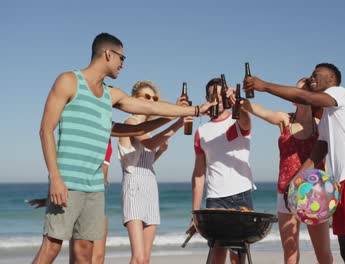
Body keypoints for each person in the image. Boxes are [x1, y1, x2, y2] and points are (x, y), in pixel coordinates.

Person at [34, 32, 212, 264]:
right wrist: (55, 177)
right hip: (68, 181)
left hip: (95, 186)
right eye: (122, 58)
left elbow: (143, 113)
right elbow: (46, 130)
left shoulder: (111, 94)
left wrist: (195, 110)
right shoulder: (68, 81)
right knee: (52, 247)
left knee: (85, 252)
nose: (123, 64)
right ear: (108, 53)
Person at [244, 63, 345, 264]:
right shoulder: (326, 119)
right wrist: (295, 182)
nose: (312, 77)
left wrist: (264, 86)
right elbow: (318, 152)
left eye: (316, 74)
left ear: (331, 79)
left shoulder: (340, 93)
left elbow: (306, 97)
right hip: (340, 185)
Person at [28, 117, 174, 264]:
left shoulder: (108, 127)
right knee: (53, 248)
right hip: (76, 190)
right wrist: (54, 188)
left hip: (97, 194)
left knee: (94, 257)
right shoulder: (87, 125)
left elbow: (140, 135)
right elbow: (70, 159)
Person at [240, 78, 333, 264]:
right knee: (290, 253)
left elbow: (326, 160)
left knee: (323, 253)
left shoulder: (321, 124)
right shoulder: (285, 120)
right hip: (286, 193)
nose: (300, 94)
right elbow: (259, 111)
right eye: (296, 91)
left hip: (315, 194)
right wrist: (240, 101)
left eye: (305, 90)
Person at [118, 80, 190, 264]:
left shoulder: (149, 131)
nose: (151, 100)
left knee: (146, 259)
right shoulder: (130, 122)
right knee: (138, 257)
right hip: (134, 187)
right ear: (135, 99)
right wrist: (177, 123)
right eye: (146, 97)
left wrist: (161, 151)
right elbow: (147, 145)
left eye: (154, 98)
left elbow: (146, 161)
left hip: (150, 185)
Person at [191, 78, 255, 264]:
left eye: (221, 96)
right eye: (213, 96)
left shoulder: (236, 122)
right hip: (214, 200)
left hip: (240, 195)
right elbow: (199, 174)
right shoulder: (201, 131)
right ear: (206, 98)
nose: (218, 100)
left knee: (238, 256)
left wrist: (238, 103)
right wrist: (195, 213)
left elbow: (245, 120)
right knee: (216, 255)